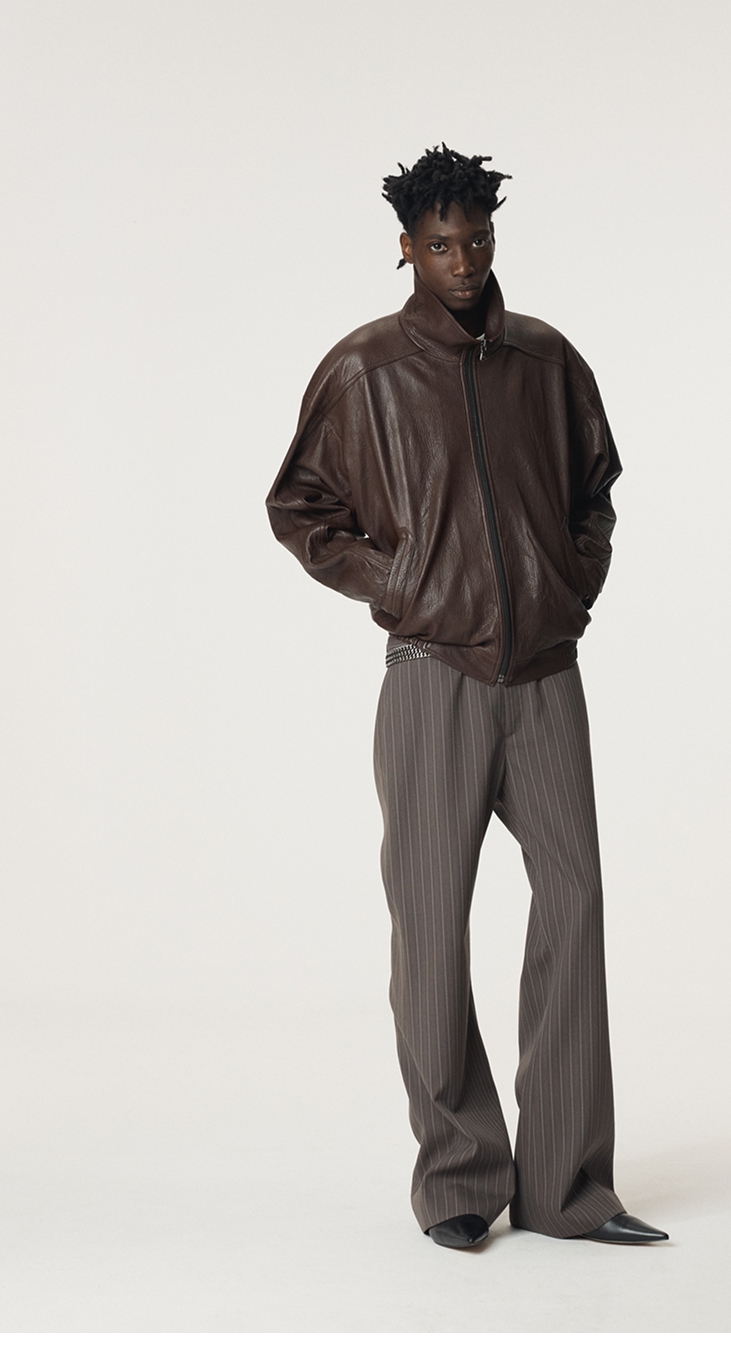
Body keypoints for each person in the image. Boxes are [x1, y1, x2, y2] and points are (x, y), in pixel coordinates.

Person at [266, 138, 661, 1250]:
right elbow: (298, 507)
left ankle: (569, 1188)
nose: (463, 260)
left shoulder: (547, 361)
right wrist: (401, 586)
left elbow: (595, 491)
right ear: (406, 247)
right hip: (432, 678)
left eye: (477, 240)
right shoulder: (365, 371)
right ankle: (457, 1181)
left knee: (574, 905)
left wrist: (569, 585)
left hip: (544, 678)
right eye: (441, 244)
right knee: (432, 930)